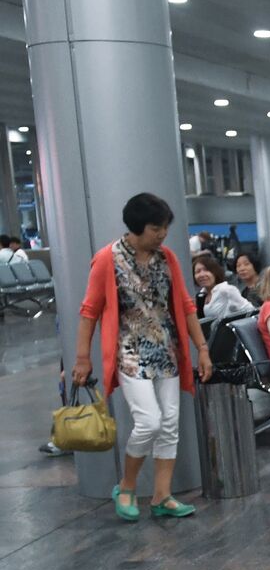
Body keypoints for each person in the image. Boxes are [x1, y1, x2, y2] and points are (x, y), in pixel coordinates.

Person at [70, 192, 213, 521]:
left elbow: (187, 306)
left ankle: (162, 496)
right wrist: (82, 357)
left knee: (169, 426)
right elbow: (89, 312)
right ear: (136, 227)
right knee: (148, 421)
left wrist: (201, 349)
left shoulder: (168, 259)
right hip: (130, 353)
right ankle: (127, 485)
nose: (162, 234)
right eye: (155, 228)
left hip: (167, 352)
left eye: (164, 227)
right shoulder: (107, 259)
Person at [191, 252, 255, 322]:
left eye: (206, 270)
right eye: (197, 272)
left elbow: (250, 310)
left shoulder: (226, 290)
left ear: (215, 272)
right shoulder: (201, 295)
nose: (202, 274)